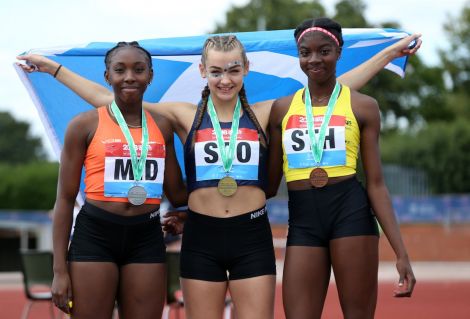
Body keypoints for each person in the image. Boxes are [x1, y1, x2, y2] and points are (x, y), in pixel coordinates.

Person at [17, 31, 420, 319]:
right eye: (215, 72)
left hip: (251, 235)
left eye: (232, 70)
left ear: (245, 69)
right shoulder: (181, 114)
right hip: (202, 238)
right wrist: (55, 70)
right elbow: (114, 100)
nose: (224, 79)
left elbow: (332, 92)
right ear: (202, 71)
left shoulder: (266, 112)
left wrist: (386, 56)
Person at [266, 18, 416, 319]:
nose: (314, 59)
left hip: (351, 214)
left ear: (339, 52)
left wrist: (401, 252)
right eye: (305, 53)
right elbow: (267, 187)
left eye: (324, 51)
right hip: (304, 221)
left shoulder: (363, 106)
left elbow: (376, 184)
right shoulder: (282, 109)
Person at [44, 41, 187, 318]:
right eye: (120, 70)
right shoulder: (83, 125)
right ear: (107, 76)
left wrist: (231, 189)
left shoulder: (163, 126)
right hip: (95, 236)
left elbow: (178, 194)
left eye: (139, 69)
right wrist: (59, 270)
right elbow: (64, 199)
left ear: (150, 76)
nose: (130, 77)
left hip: (146, 237)